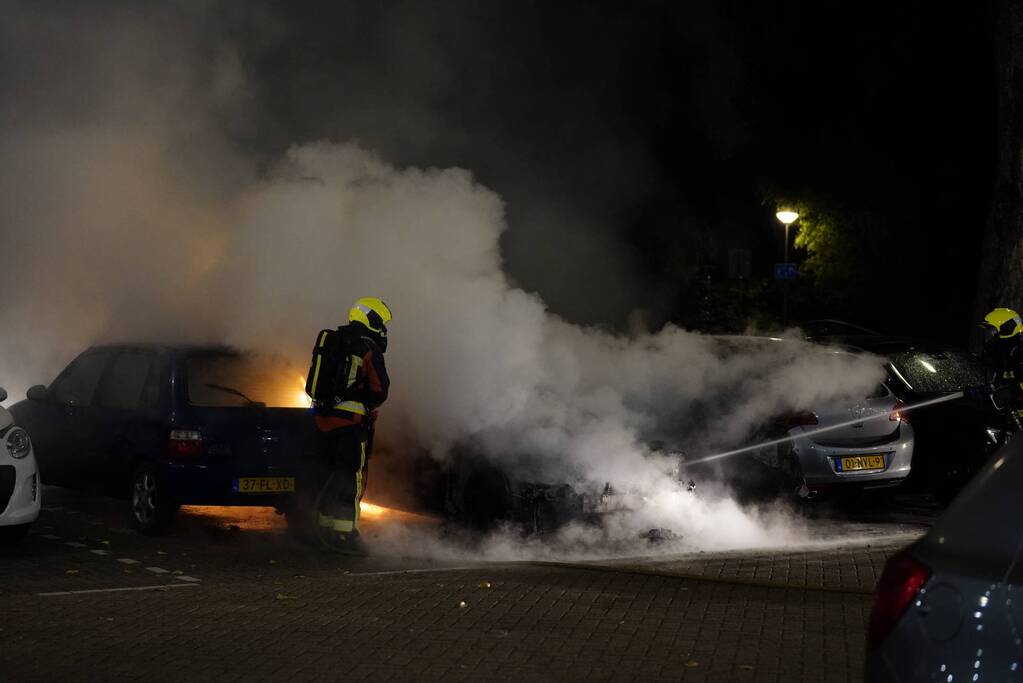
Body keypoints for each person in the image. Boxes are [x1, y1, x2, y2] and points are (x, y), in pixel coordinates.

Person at [305, 297, 391, 553]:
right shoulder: (367, 347)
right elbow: (380, 391)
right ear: (372, 320)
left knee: (328, 476)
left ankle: (323, 530)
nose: (383, 329)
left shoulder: (333, 340)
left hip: (322, 422)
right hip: (350, 425)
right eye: (381, 323)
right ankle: (345, 535)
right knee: (349, 479)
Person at [972, 307, 1023, 429]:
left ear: (1007, 330)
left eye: (991, 332)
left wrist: (1012, 392)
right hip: (1006, 423)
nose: (988, 338)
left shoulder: (1019, 354)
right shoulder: (999, 357)